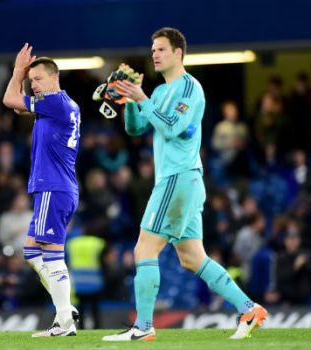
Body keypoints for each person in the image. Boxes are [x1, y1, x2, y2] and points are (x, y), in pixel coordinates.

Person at [102, 27, 268, 342]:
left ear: (178, 53)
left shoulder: (190, 88)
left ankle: (143, 327)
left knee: (143, 248)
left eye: (161, 49)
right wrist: (129, 100)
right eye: (153, 49)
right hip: (181, 180)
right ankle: (249, 309)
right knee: (192, 257)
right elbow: (137, 129)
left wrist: (142, 98)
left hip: (177, 178)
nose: (155, 54)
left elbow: (175, 128)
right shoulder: (161, 92)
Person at [3, 44, 81, 337]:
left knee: (51, 253)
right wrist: (23, 78)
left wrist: (17, 71)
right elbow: (16, 105)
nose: (32, 85)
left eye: (37, 79)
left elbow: (9, 98)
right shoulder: (63, 106)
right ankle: (65, 310)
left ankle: (64, 319)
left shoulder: (55, 103)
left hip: (53, 187)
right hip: (58, 188)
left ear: (54, 78)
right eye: (30, 79)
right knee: (32, 251)